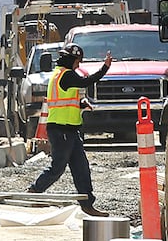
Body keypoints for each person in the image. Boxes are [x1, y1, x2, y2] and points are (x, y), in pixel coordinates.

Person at [27, 43, 112, 216]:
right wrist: (105, 67)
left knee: (81, 168)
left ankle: (87, 203)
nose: (78, 65)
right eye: (78, 61)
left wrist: (80, 104)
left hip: (69, 130)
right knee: (58, 167)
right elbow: (87, 81)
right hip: (61, 130)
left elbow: (65, 100)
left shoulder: (61, 75)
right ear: (71, 59)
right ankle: (34, 192)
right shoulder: (65, 75)